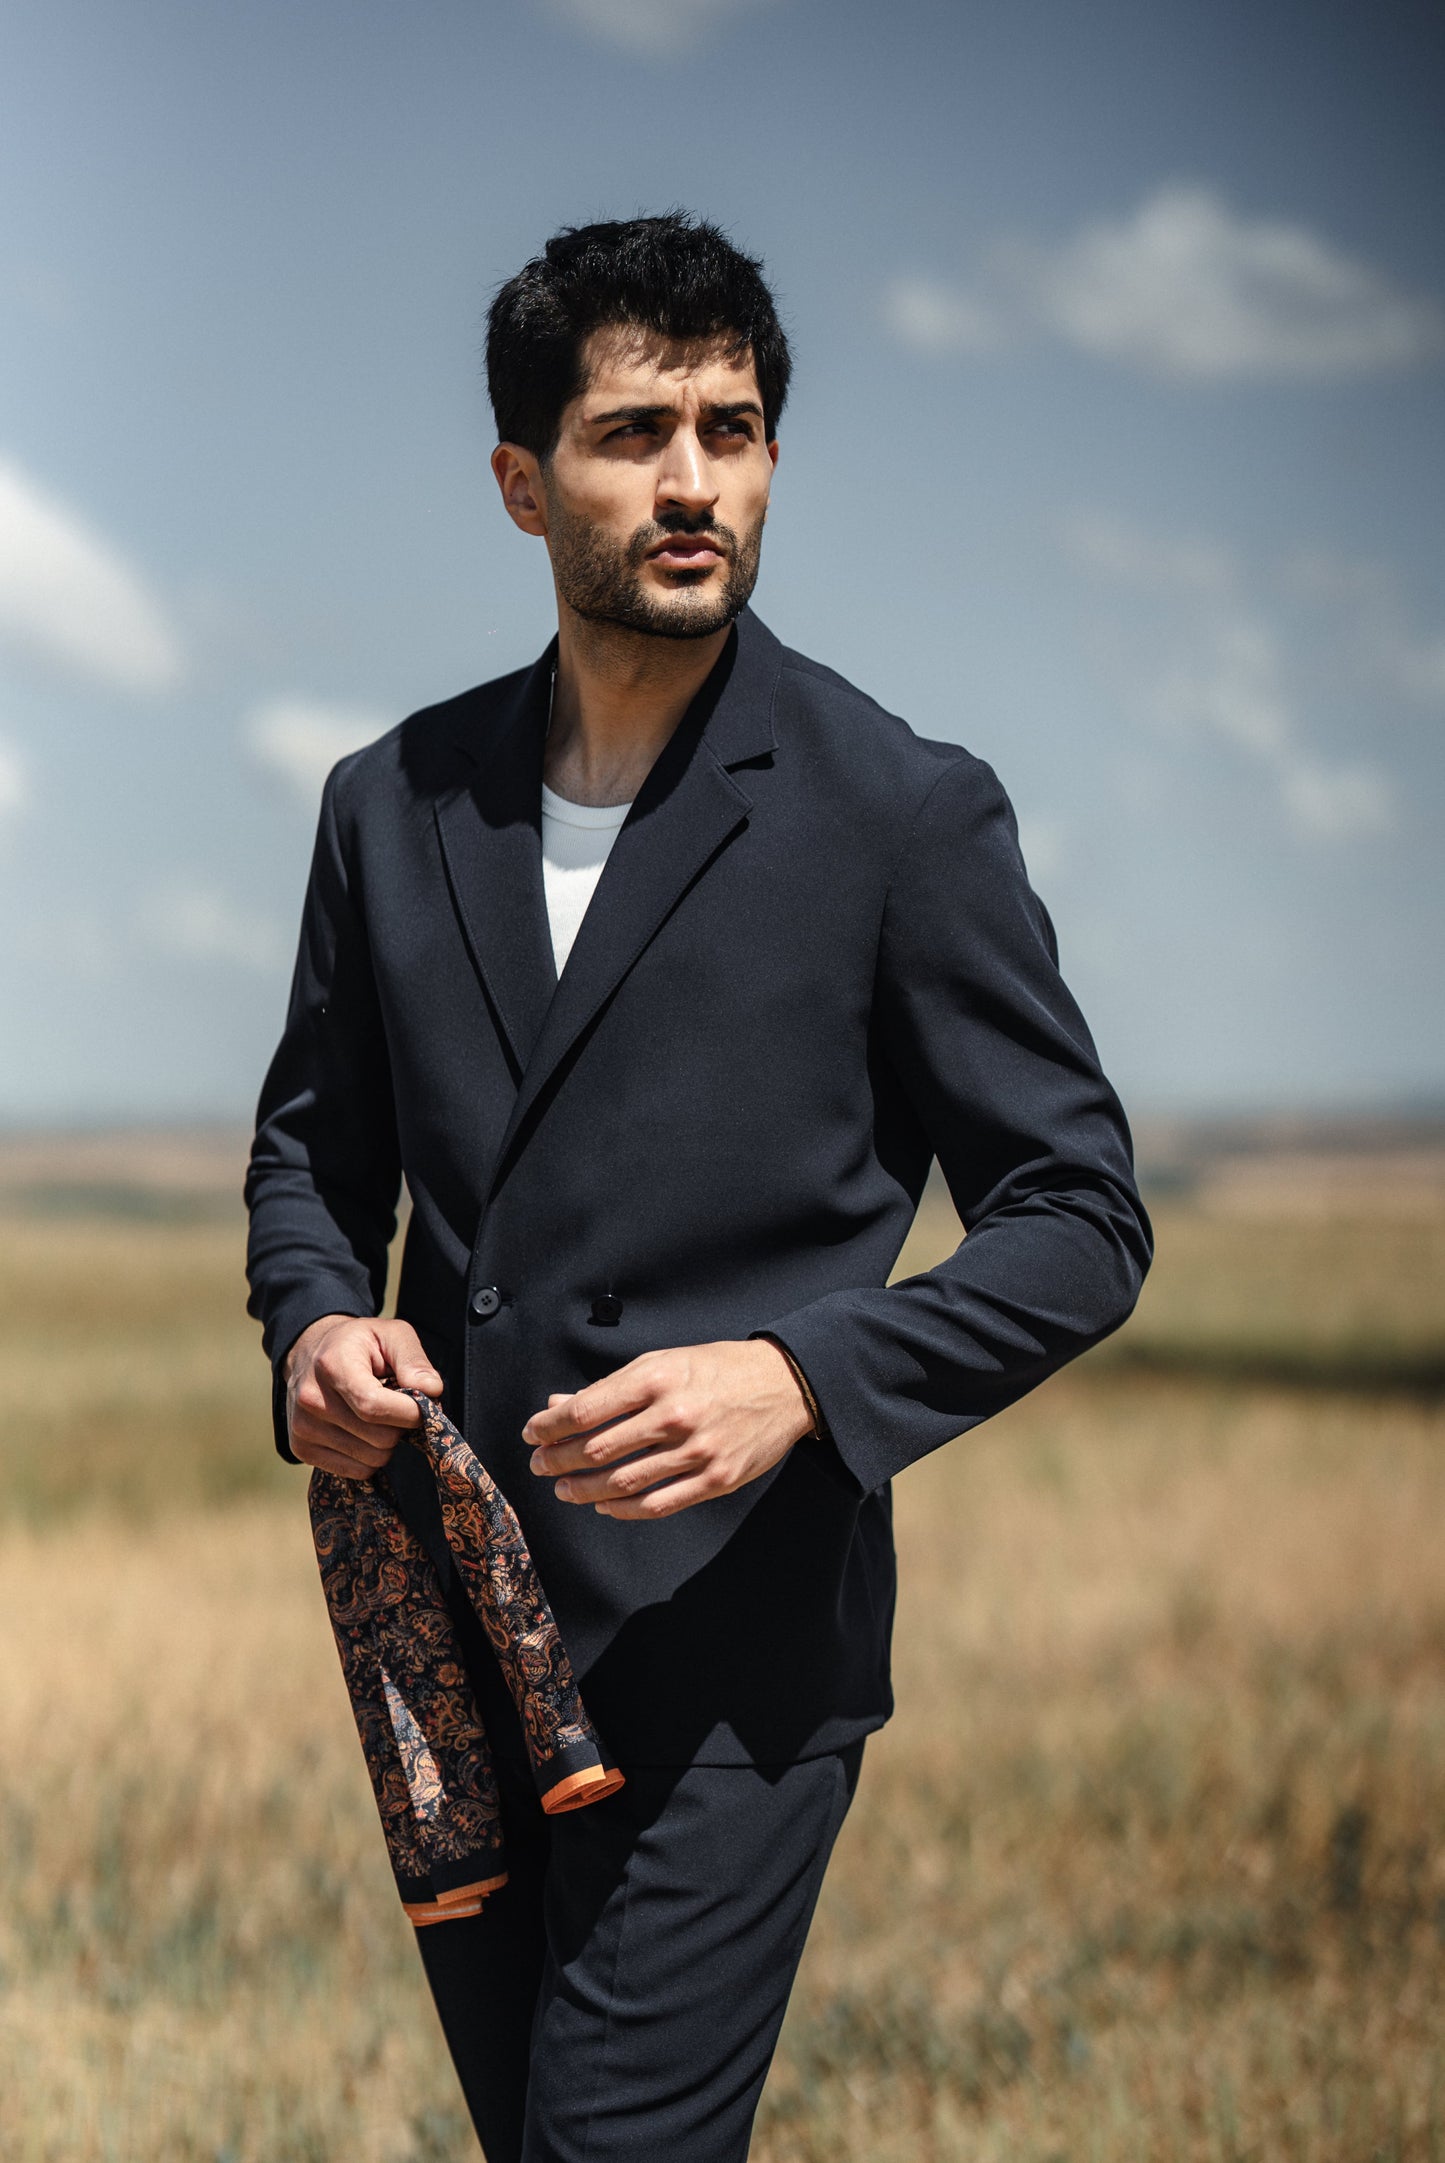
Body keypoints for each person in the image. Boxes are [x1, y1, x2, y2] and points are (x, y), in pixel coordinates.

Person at [244, 212, 1152, 2162]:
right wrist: (315, 1319)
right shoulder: (388, 805)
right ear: (520, 480)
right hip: (450, 1633)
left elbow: (1082, 1215)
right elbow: (313, 1151)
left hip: (733, 1662)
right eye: (634, 429)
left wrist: (811, 1374)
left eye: (732, 430)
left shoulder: (901, 811)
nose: (691, 480)